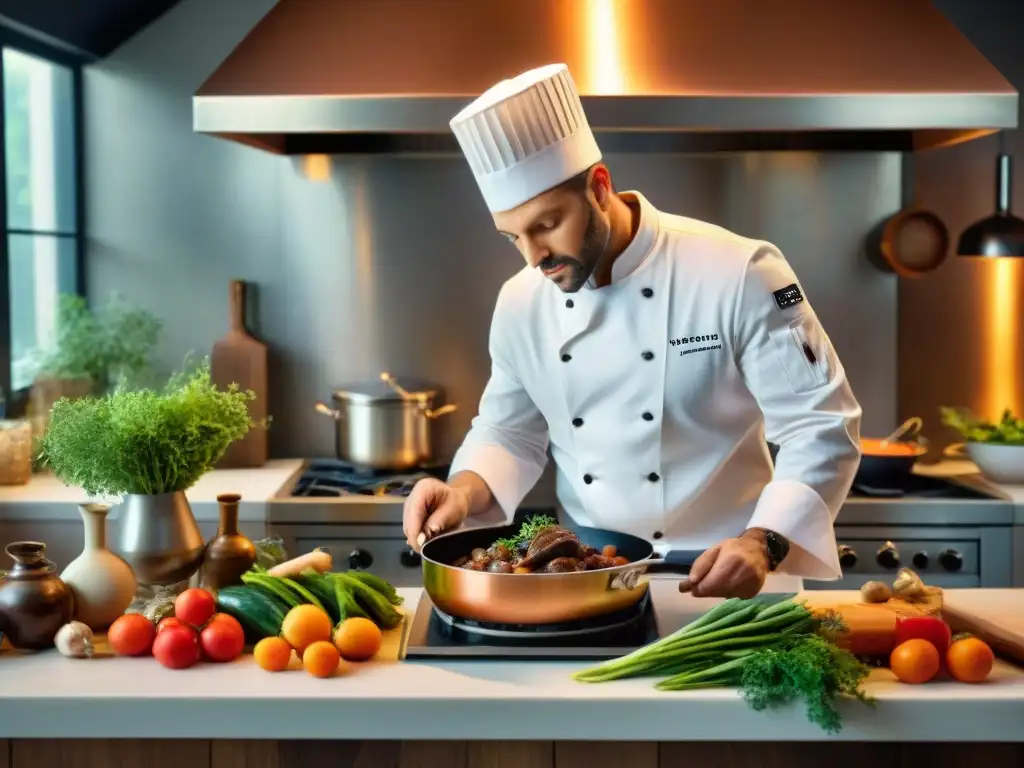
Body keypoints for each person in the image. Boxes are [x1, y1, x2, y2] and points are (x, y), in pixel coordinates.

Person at [402, 63, 862, 599]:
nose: (534, 258)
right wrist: (461, 491)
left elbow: (820, 423)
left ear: (599, 187)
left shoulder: (740, 272)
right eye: (513, 237)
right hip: (585, 581)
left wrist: (765, 542)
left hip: (732, 579)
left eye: (547, 225)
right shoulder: (521, 302)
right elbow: (509, 432)